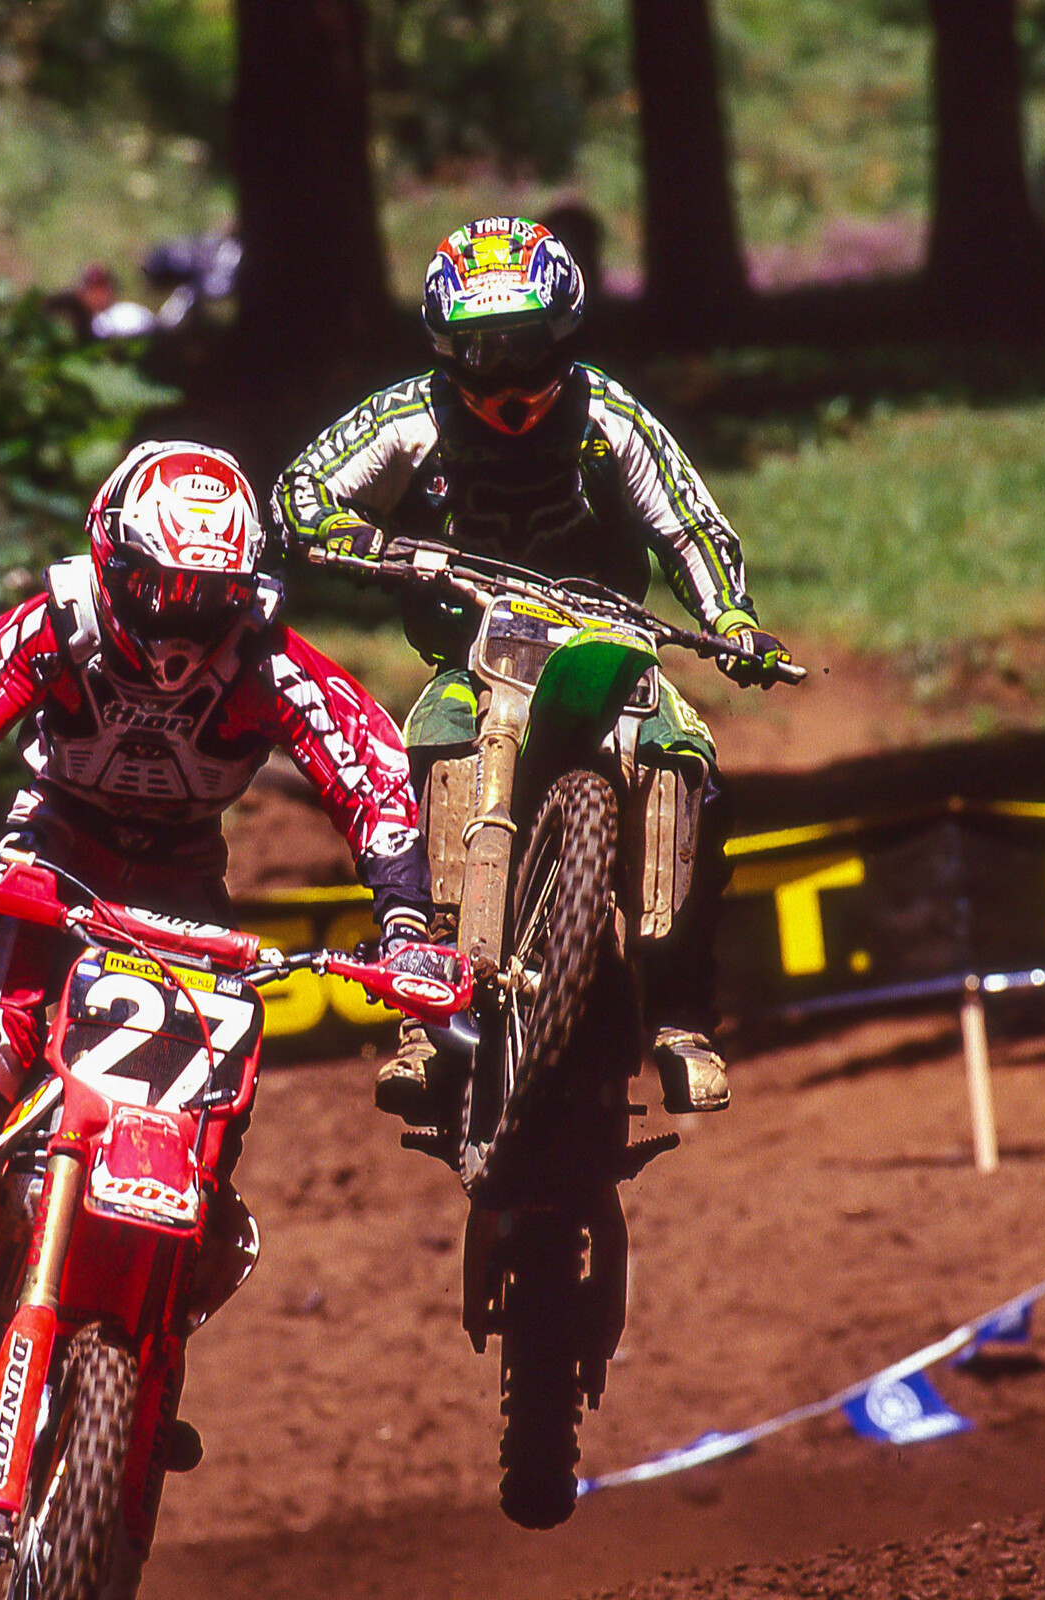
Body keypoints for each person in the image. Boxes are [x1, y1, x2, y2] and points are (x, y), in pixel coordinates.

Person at [0, 440, 446, 1397]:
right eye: (157, 589)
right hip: (52, 853)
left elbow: (372, 771)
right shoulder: (59, 625)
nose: (179, 620)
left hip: (181, 878)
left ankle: (148, 1354)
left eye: (208, 596)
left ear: (244, 589)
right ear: (111, 563)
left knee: (214, 1092)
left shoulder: (267, 660)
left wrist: (405, 925)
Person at [270, 215, 793, 1131]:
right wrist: (358, 539)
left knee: (686, 760)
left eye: (521, 344)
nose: (505, 373)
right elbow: (297, 492)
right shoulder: (405, 418)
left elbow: (688, 524)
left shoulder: (608, 419)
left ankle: (680, 1016)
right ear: (445, 347)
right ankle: (426, 1016)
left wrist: (731, 619)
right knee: (429, 745)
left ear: (562, 331)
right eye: (480, 349)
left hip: (605, 641)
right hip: (469, 652)